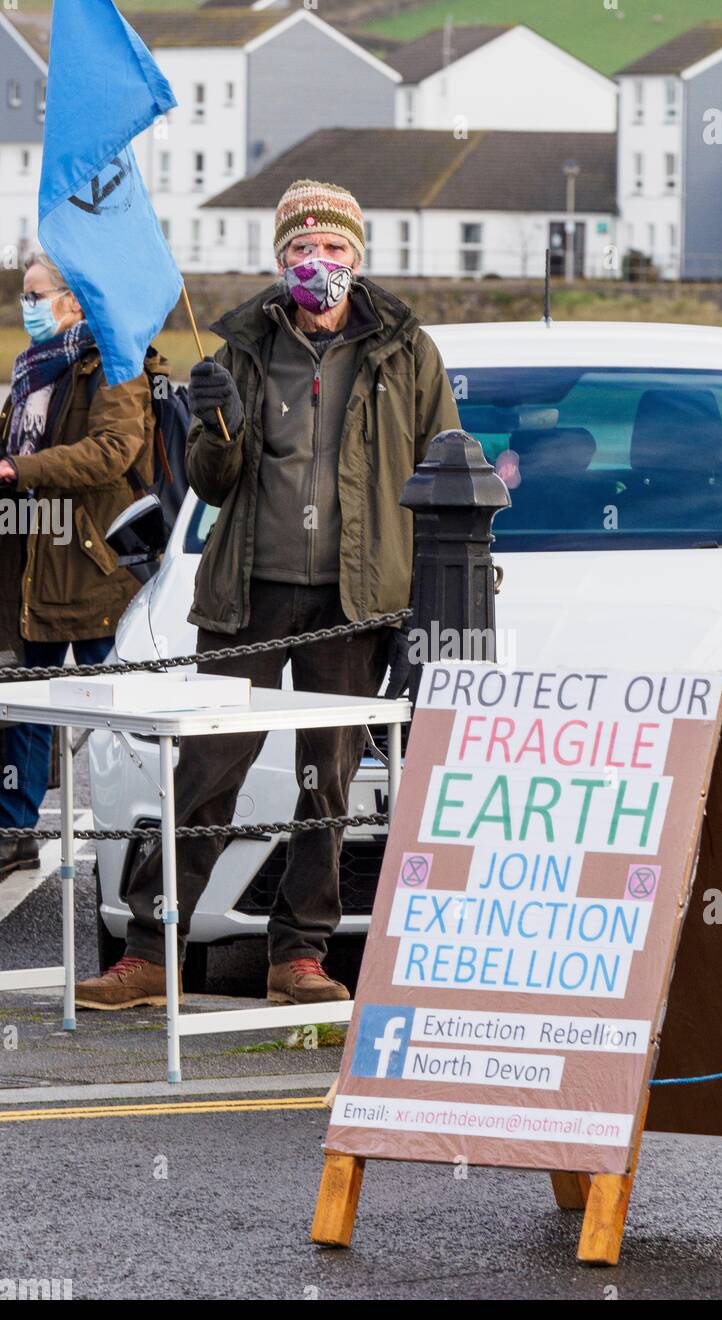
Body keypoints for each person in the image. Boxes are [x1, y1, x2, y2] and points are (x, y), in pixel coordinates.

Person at [76, 180, 461, 1010]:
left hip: (354, 603)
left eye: (329, 251)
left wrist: (430, 600)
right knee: (209, 767)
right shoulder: (241, 350)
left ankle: (299, 957)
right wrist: (212, 423)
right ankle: (149, 952)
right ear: (278, 258)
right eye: (298, 251)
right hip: (246, 596)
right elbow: (212, 484)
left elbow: (444, 474)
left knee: (327, 779)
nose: (313, 265)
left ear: (356, 258)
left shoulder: (407, 351)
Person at [0, 252, 157, 881]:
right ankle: (14, 830)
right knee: (24, 711)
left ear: (75, 300)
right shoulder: (30, 372)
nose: (26, 306)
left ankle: (145, 836)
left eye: (37, 294)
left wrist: (21, 470)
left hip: (96, 567)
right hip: (33, 567)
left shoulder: (115, 364)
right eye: (24, 295)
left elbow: (112, 452)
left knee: (119, 717)